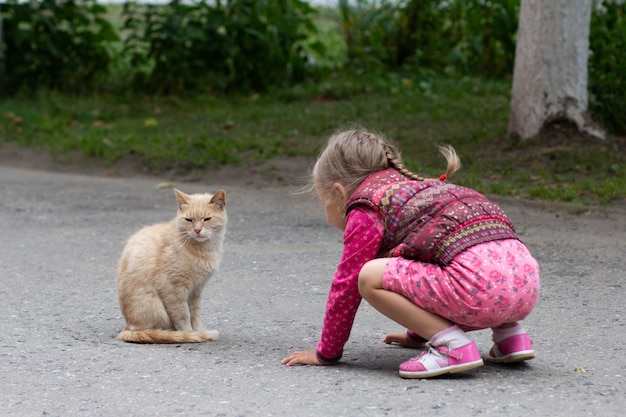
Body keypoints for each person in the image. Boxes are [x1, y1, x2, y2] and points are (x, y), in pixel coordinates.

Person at [281, 129, 540, 379]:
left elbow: (346, 285)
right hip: (524, 289)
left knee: (368, 276)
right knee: (450, 262)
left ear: (338, 193)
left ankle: (452, 347)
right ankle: (511, 338)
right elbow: (423, 272)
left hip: (476, 291)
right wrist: (418, 334)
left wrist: (326, 353)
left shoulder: (366, 207)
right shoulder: (417, 192)